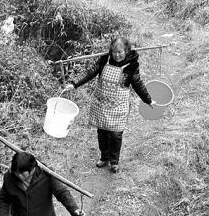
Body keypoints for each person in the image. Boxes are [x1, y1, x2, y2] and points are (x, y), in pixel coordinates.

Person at [63, 35, 154, 173]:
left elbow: (138, 84)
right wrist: (74, 84)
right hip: (102, 103)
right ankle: (104, 157)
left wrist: (148, 100)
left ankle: (114, 161)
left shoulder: (132, 65)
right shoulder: (104, 60)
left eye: (120, 52)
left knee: (116, 134)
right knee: (102, 132)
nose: (117, 55)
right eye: (114, 52)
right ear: (110, 51)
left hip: (119, 105)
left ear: (127, 51)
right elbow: (90, 73)